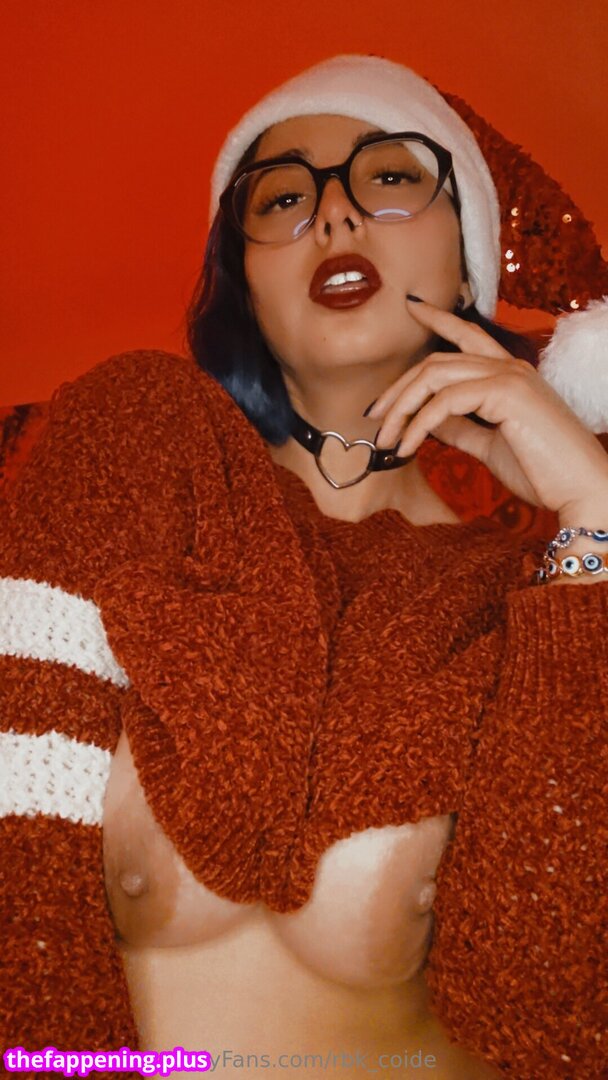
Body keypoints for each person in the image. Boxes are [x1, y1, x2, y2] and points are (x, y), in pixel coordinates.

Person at [1, 54, 607, 1080]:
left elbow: (547, 1018)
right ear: (244, 280)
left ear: (469, 263)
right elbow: (18, 884)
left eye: (390, 176)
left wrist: (593, 520)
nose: (334, 214)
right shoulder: (134, 444)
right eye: (281, 197)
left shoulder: (540, 598)